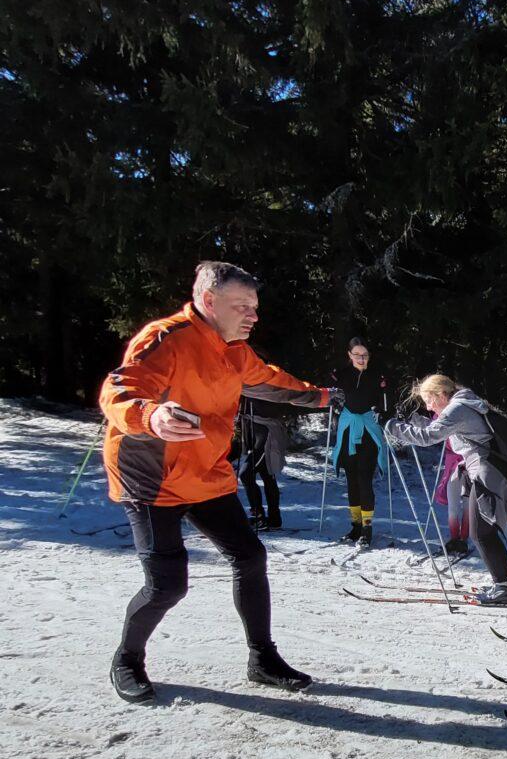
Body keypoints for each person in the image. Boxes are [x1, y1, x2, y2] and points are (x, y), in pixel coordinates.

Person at [99, 261, 334, 704]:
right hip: (152, 475)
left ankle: (261, 659)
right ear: (209, 302)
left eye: (256, 306)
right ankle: (127, 659)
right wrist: (152, 416)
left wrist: (322, 396)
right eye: (241, 305)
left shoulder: (234, 349)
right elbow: (120, 389)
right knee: (168, 584)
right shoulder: (166, 338)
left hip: (206, 473)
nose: (253, 315)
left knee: (250, 556)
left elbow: (269, 382)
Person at [386, 374, 507, 605]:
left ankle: (502, 586)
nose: (428, 406)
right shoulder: (461, 404)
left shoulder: (458, 408)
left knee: (481, 532)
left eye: (429, 400)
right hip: (485, 471)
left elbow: (429, 437)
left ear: (442, 395)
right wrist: (408, 421)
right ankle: (506, 583)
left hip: (487, 472)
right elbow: (436, 429)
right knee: (484, 531)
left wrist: (391, 426)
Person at [332, 337, 389, 548]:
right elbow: (333, 395)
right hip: (347, 431)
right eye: (357, 355)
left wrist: (382, 412)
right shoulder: (342, 375)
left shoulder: (377, 375)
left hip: (368, 431)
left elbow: (386, 403)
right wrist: (335, 403)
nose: (361, 358)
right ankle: (355, 526)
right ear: (349, 355)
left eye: (364, 355)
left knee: (365, 479)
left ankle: (367, 528)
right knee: (351, 480)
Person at [237, 397, 290, 531]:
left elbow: (276, 405)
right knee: (267, 474)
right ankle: (274, 518)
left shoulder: (264, 383)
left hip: (267, 434)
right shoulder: (247, 383)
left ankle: (259, 516)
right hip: (256, 431)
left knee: (246, 474)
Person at [435, 443, 470, 557]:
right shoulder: (448, 426)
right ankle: (454, 538)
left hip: (470, 462)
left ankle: (464, 539)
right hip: (453, 463)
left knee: (468, 505)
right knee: (453, 505)